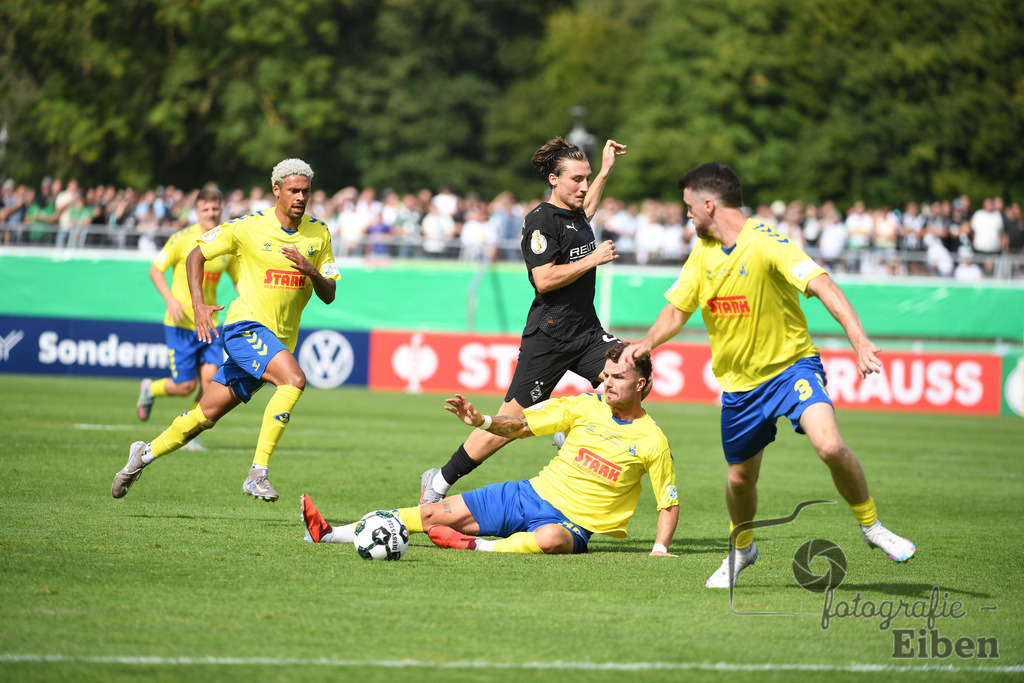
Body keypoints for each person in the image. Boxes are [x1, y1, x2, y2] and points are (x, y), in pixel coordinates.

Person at [623, 162, 915, 589]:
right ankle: (742, 550)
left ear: (709, 204)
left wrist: (860, 341)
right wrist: (648, 342)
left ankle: (871, 526)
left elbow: (823, 285)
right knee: (741, 479)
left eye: (689, 207)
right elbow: (676, 310)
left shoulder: (767, 243)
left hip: (792, 367)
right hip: (740, 388)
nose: (686, 215)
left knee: (830, 445)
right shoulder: (702, 255)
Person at [303, 343, 678, 555]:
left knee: (550, 540)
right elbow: (519, 426)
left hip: (571, 525)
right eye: (606, 375)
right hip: (525, 495)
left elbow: (668, 501)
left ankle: (475, 545)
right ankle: (329, 532)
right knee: (432, 512)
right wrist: (482, 421)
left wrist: (660, 548)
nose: (607, 383)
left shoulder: (651, 439)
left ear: (641, 384)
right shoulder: (582, 406)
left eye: (618, 378)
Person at [112, 159, 340, 502]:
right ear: (276, 190)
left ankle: (140, 457)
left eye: (306, 191)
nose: (300, 197)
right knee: (293, 380)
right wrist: (199, 303)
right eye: (293, 190)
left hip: (276, 342)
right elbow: (195, 255)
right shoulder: (248, 227)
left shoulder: (319, 233)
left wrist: (312, 271)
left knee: (204, 416)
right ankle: (257, 473)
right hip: (243, 326)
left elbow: (329, 294)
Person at [418, 137, 627, 505]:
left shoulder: (577, 213)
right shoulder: (540, 221)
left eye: (587, 177)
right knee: (507, 428)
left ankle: (572, 425)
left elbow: (588, 207)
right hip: (549, 337)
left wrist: (607, 168)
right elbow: (544, 279)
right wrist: (592, 259)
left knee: (632, 379)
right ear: (553, 180)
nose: (583, 186)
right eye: (576, 179)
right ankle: (439, 481)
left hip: (588, 334)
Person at [135, 188, 240, 450]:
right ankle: (150, 389)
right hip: (181, 325)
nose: (211, 214)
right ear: (196, 212)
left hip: (211, 325)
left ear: (221, 209)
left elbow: (239, 279)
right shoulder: (182, 239)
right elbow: (155, 270)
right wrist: (170, 300)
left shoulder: (226, 241)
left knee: (209, 383)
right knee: (184, 386)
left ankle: (188, 437)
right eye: (205, 210)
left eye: (215, 209)